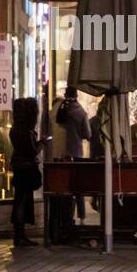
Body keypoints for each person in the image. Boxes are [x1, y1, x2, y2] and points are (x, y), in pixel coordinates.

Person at [55, 85, 92, 227]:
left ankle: (65, 218)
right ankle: (81, 216)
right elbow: (87, 134)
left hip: (59, 153)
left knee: (63, 186)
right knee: (78, 186)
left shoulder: (58, 109)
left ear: (65, 94)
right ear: (77, 95)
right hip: (76, 153)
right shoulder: (81, 112)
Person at [9, 97, 42, 248]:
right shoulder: (27, 132)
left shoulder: (15, 130)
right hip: (26, 169)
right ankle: (20, 236)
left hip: (18, 168)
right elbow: (32, 151)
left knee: (19, 200)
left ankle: (19, 235)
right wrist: (42, 144)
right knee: (22, 201)